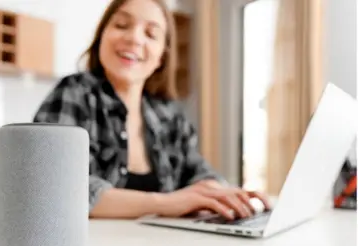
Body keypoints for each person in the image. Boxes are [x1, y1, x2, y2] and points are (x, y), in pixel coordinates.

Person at [33, 0, 271, 220]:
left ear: (161, 57)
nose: (135, 39)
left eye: (151, 34)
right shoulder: (74, 93)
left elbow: (200, 173)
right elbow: (53, 186)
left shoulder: (168, 114)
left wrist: (222, 193)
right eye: (121, 24)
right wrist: (166, 203)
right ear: (102, 35)